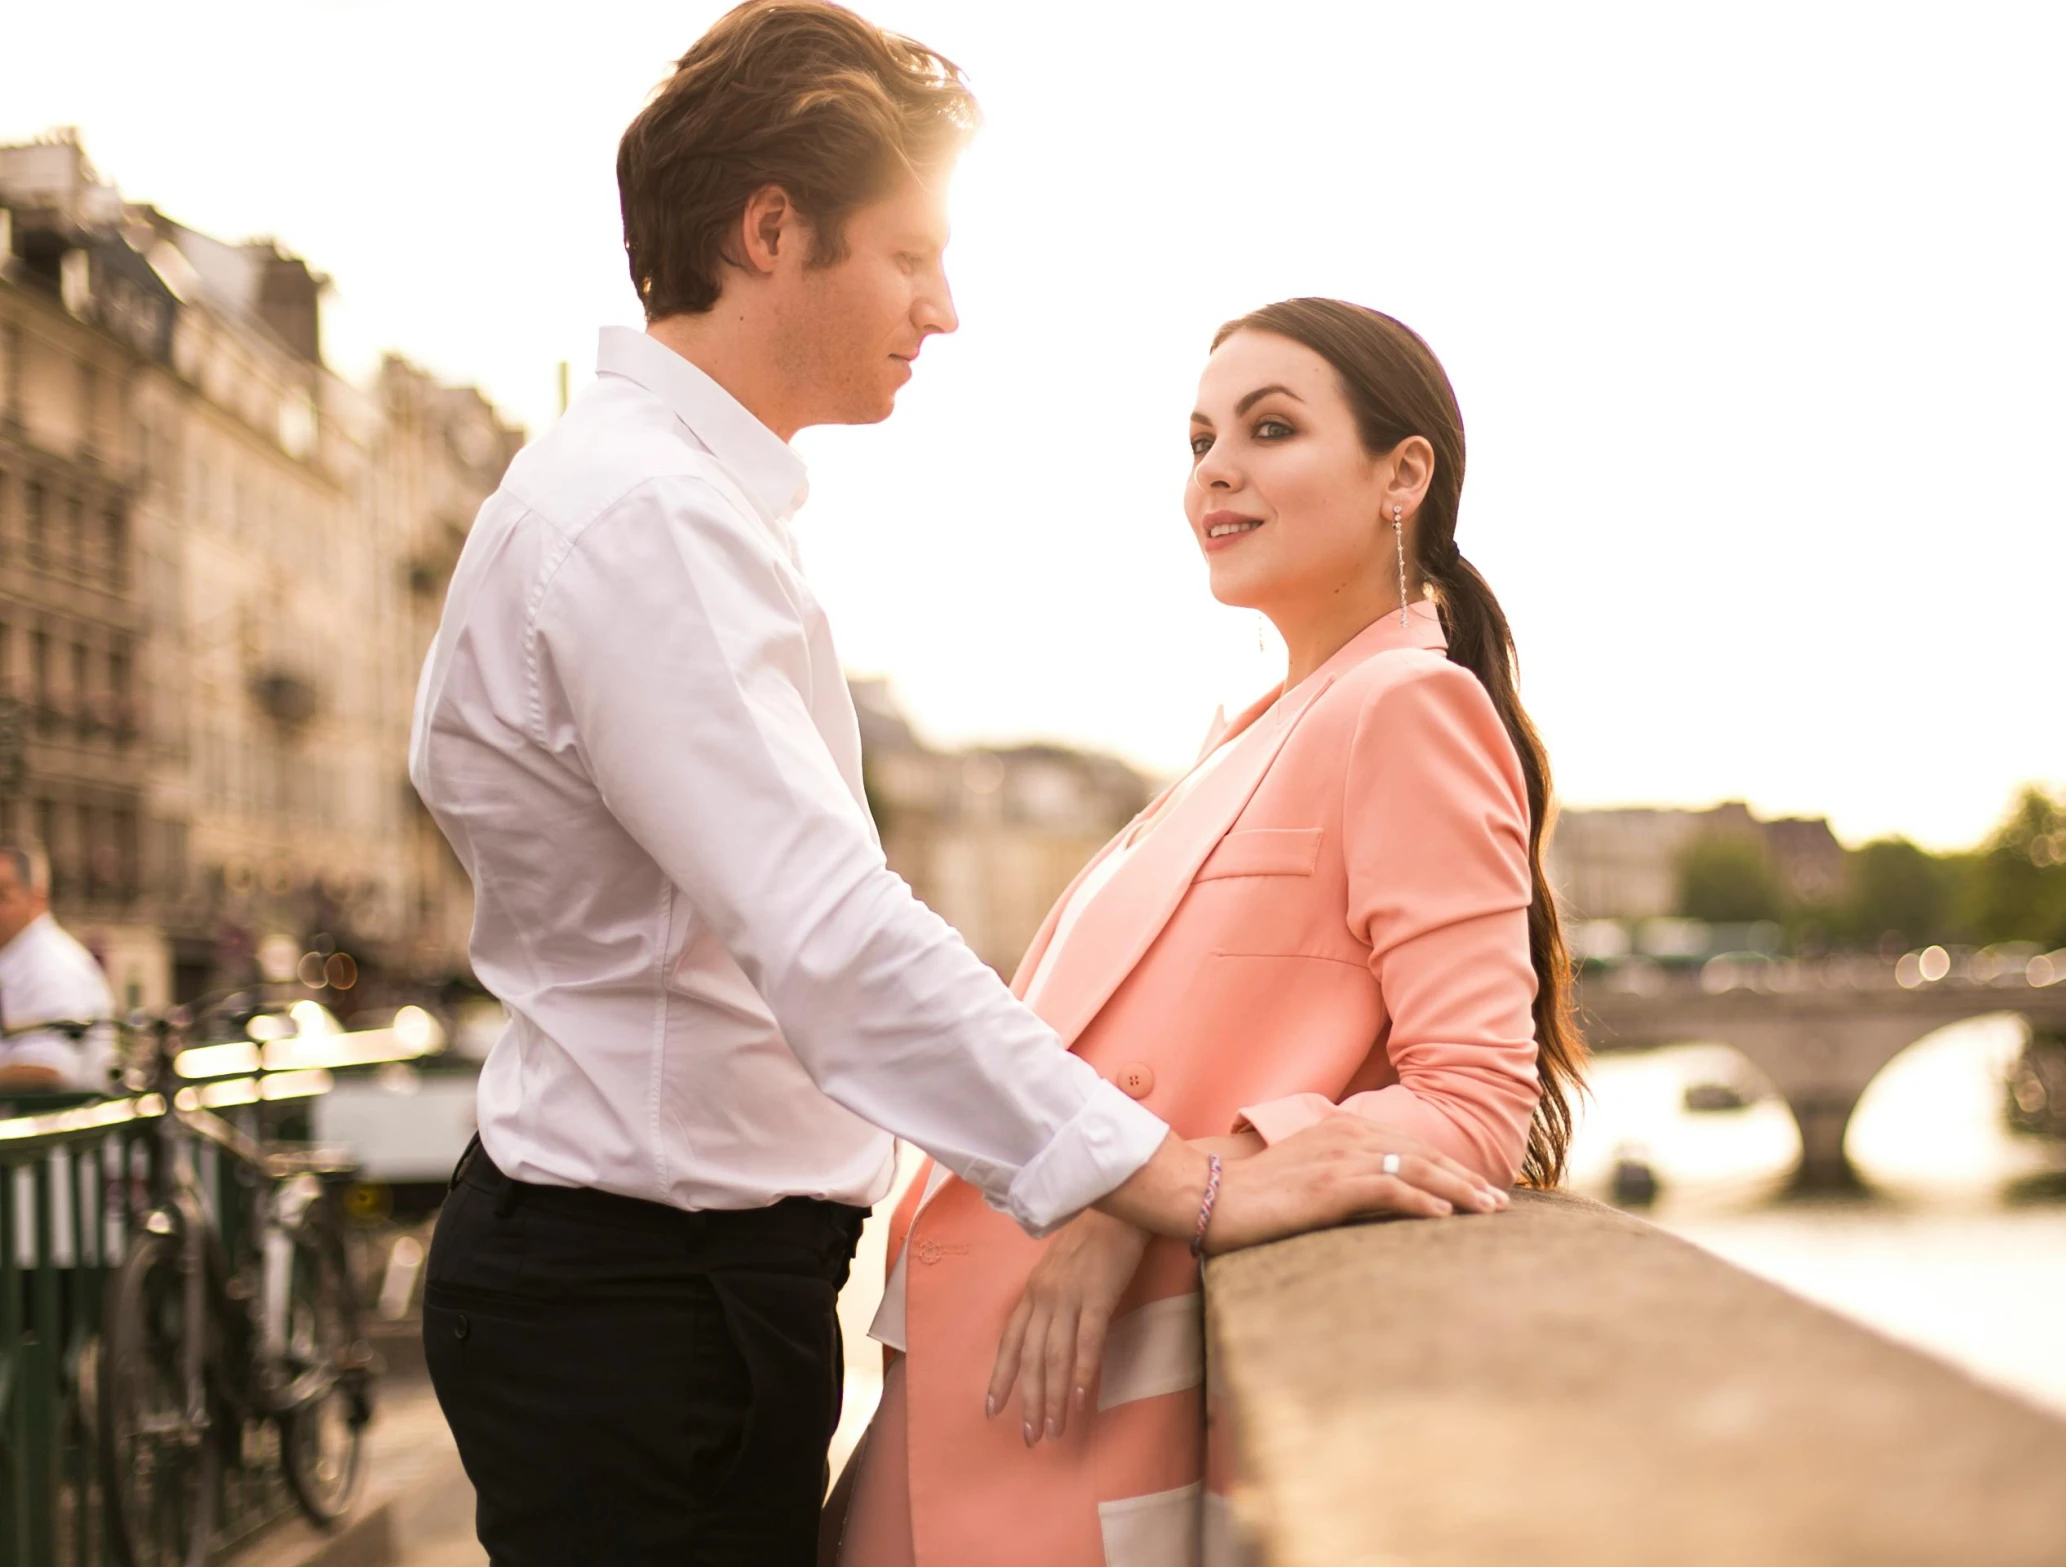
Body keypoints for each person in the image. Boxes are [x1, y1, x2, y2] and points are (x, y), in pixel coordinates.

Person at [407, 8, 1502, 1565]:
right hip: (647, 1297)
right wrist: (1172, 1180)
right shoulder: (645, 519)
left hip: (657, 1284)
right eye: (912, 254)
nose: (947, 307)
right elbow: (830, 934)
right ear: (772, 230)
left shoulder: (657, 500)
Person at [828, 299, 1586, 1567]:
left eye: (1270, 427)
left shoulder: (1410, 704)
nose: (1213, 470)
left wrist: (1151, 1194)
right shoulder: (1260, 723)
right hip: (976, 1377)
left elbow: (1474, 1100)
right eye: (1197, 438)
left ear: (1405, 474)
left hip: (1073, 1414)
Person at [0, 840, 116, 1096]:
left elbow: (47, 1069)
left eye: (2, 896)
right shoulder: (17, 957)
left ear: (37, 899)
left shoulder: (51, 965)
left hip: (60, 1132)